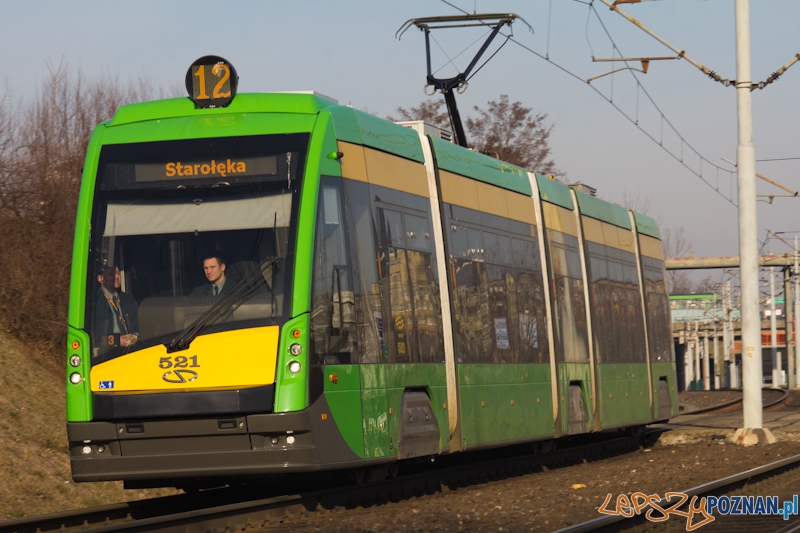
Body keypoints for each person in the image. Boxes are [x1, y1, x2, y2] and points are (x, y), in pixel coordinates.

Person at [93, 265, 139, 353]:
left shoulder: (128, 300)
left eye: (117, 273)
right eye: (111, 274)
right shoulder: (95, 303)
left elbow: (138, 328)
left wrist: (134, 337)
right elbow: (95, 339)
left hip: (131, 351)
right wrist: (117, 341)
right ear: (100, 279)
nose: (117, 277)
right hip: (107, 354)